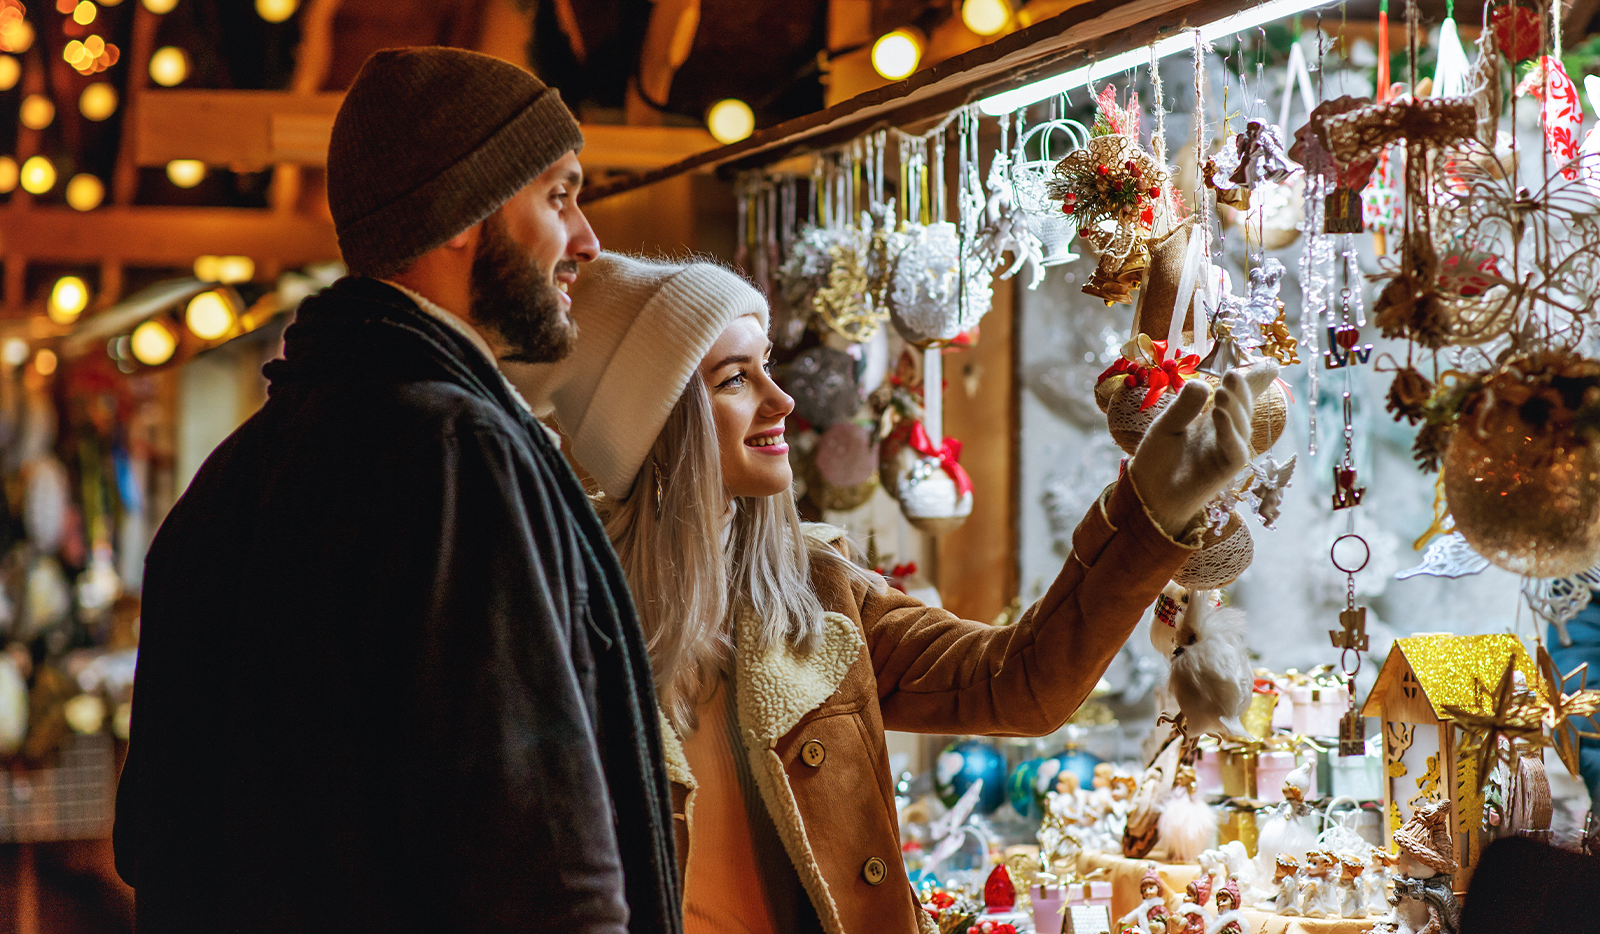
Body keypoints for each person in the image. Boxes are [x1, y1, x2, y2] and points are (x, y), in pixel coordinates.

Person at [515, 253, 1278, 934]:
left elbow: (1020, 686)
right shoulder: (562, 622)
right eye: (736, 379)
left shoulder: (817, 588)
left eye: (769, 366)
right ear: (656, 420)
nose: (783, 401)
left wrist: (1148, 512)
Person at [113, 48, 682, 934]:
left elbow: (157, 841)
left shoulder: (232, 476)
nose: (586, 241)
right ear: (462, 213)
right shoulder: (457, 449)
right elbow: (542, 853)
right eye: (559, 196)